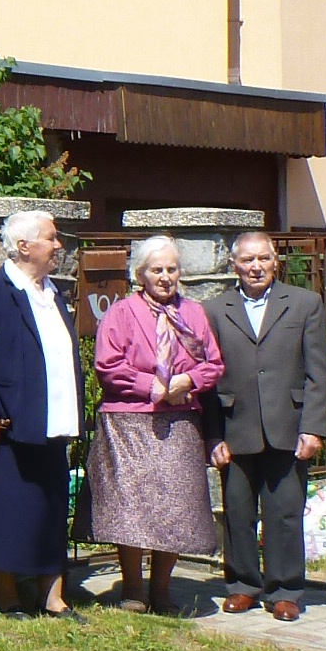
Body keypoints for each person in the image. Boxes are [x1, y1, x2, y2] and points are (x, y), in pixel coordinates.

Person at [0, 209, 82, 617]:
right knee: (8, 511)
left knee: (51, 508)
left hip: (53, 423)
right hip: (8, 425)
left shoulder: (52, 293)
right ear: (24, 246)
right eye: (51, 238)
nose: (59, 245)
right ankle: (7, 596)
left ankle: (53, 597)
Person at [88, 235, 225, 614]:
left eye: (172, 269)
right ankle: (133, 590)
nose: (165, 277)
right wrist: (154, 386)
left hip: (180, 420)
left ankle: (162, 590)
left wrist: (188, 381)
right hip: (130, 421)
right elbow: (108, 366)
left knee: (175, 505)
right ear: (140, 274)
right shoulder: (121, 313)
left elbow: (213, 363)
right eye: (157, 269)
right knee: (130, 505)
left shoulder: (194, 314)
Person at [207, 230, 326, 620]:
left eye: (263, 258)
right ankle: (242, 586)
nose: (256, 267)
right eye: (247, 260)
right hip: (235, 426)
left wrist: (313, 427)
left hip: (288, 426)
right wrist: (212, 436)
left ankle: (285, 591)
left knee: (285, 512)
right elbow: (207, 378)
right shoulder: (214, 310)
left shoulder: (305, 304)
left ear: (276, 261)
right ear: (234, 266)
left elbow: (318, 373)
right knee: (237, 512)